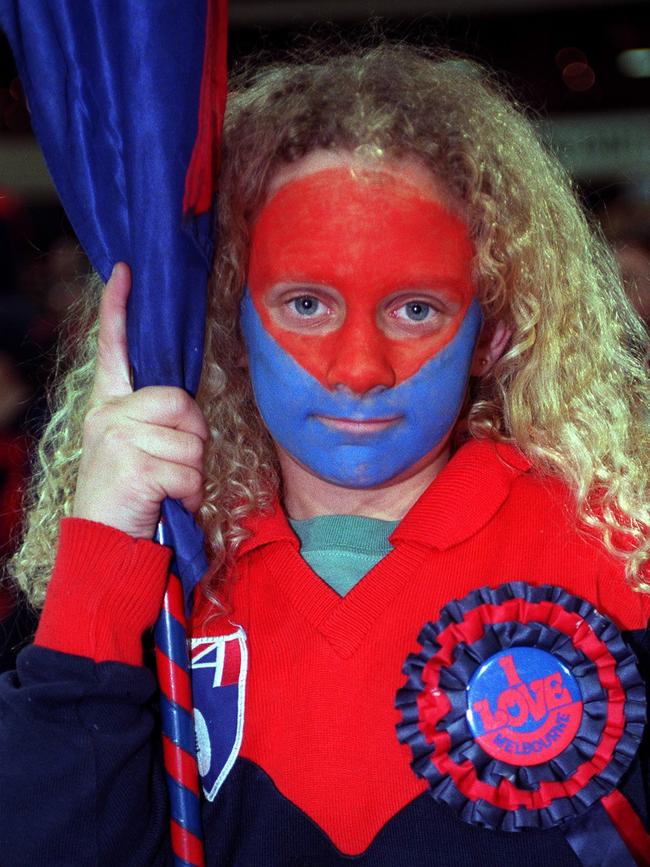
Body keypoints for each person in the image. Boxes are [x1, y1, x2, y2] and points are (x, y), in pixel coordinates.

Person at [1, 44, 649, 867]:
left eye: (416, 308)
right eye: (305, 303)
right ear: (229, 325)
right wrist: (102, 547)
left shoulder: (618, 553)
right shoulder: (156, 576)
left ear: (496, 330)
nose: (357, 370)